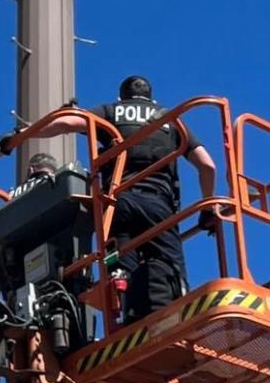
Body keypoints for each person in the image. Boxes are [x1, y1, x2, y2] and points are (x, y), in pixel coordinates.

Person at [39, 76, 218, 320]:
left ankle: (128, 322)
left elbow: (67, 123)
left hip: (117, 206)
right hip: (158, 207)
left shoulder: (110, 111)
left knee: (120, 271)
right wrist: (207, 208)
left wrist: (25, 134)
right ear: (152, 99)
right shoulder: (172, 120)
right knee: (169, 268)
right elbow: (208, 166)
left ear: (121, 97)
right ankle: (173, 322)